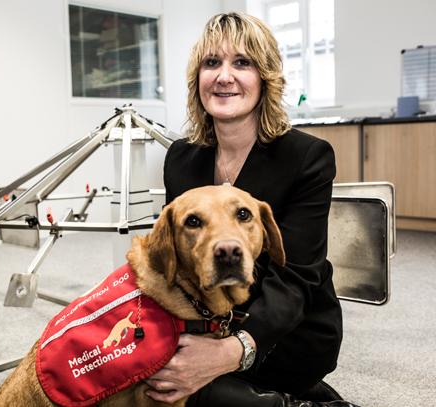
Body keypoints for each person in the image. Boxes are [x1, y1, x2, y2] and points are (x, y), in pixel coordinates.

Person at [144, 12, 354, 407]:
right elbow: (177, 260)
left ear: (265, 77)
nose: (225, 76)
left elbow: (294, 280)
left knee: (193, 394)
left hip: (288, 331)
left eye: (242, 62)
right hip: (208, 320)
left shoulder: (307, 157)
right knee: (146, 379)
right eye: (212, 63)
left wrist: (227, 353)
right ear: (198, 80)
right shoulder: (181, 159)